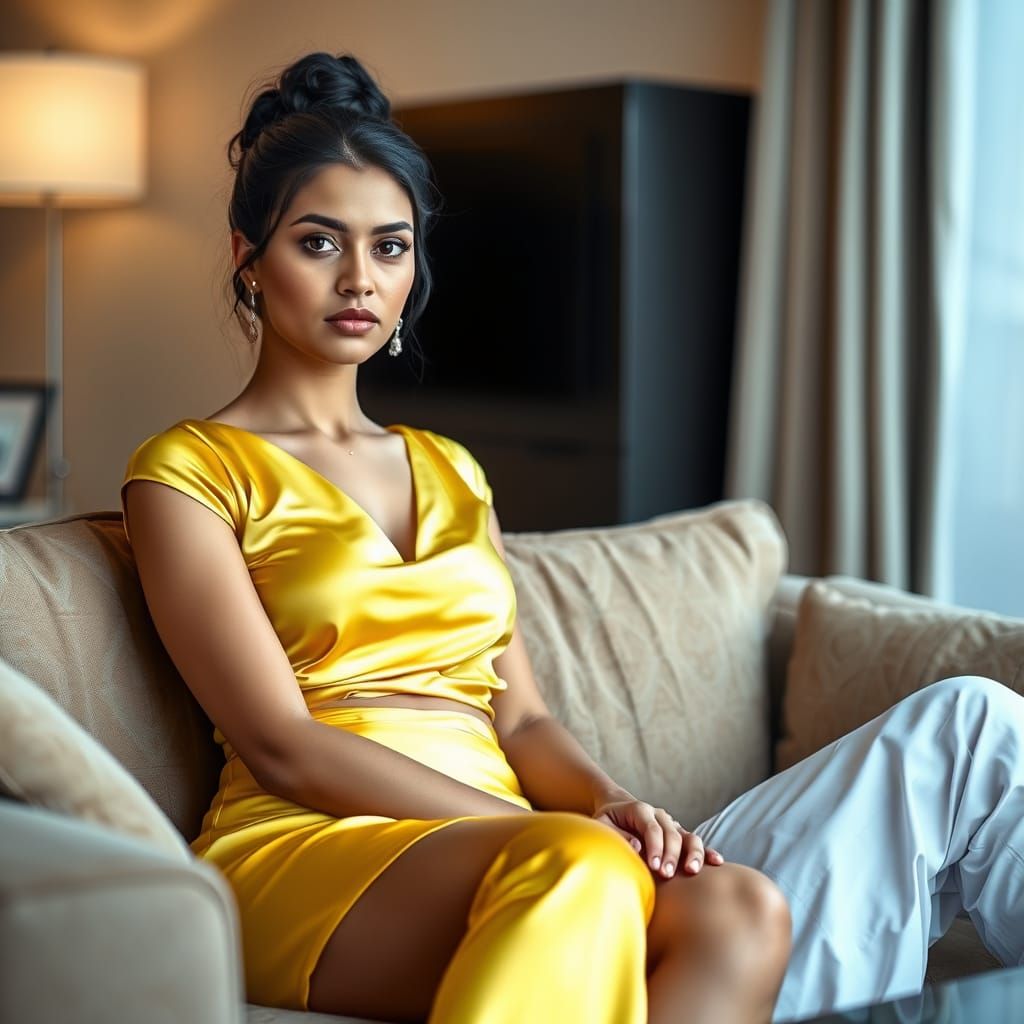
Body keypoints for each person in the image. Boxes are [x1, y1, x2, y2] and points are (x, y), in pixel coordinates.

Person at [119, 52, 1024, 1024]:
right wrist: (542, 824)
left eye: (390, 246)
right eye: (317, 242)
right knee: (579, 861)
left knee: (738, 903)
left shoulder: (452, 468)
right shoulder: (185, 470)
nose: (359, 278)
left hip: (515, 844)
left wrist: (611, 801)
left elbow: (524, 723)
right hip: (307, 844)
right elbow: (284, 742)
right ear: (244, 256)